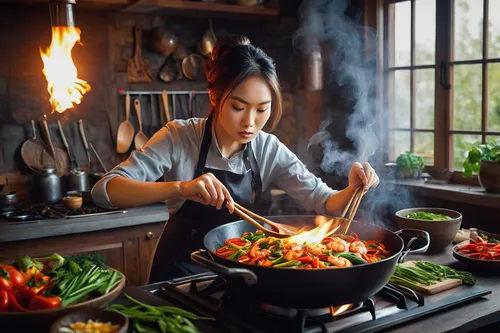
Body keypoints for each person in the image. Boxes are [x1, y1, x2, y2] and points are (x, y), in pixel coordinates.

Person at [91, 35, 379, 282]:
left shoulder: (268, 149)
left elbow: (325, 202)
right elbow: (105, 191)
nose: (250, 123)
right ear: (215, 97)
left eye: (262, 109)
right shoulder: (179, 136)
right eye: (239, 107)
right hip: (179, 277)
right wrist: (181, 188)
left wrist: (354, 188)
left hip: (242, 277)